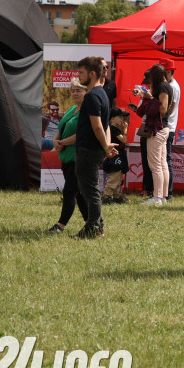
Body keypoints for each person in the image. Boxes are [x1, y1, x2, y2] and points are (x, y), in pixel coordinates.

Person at [73, 56, 117, 239]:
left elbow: (98, 126)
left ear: (92, 74)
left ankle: (92, 227)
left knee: (89, 190)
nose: (78, 75)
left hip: (88, 150)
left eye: (81, 73)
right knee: (89, 189)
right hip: (94, 149)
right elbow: (104, 126)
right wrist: (105, 146)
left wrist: (106, 146)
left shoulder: (92, 96)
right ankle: (98, 227)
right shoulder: (102, 94)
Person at [46, 80, 88, 234]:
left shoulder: (88, 112)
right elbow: (61, 126)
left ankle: (60, 225)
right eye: (73, 90)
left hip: (79, 157)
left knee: (70, 191)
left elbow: (82, 134)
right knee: (80, 194)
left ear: (86, 92)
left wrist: (62, 142)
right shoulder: (71, 109)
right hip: (66, 156)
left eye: (79, 90)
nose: (75, 93)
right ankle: (91, 223)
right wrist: (55, 140)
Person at [132, 64, 172, 206]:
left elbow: (162, 109)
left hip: (158, 129)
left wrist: (150, 98)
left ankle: (157, 197)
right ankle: (163, 196)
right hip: (163, 128)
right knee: (162, 164)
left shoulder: (162, 88)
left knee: (155, 165)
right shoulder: (167, 86)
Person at [159, 58, 181, 200]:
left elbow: (170, 107)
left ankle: (169, 192)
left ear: (168, 71)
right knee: (164, 159)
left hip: (169, 126)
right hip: (167, 126)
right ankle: (165, 192)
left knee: (166, 160)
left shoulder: (172, 87)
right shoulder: (170, 85)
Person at [102, 108, 130, 204]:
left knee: (119, 178)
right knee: (114, 176)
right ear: (112, 118)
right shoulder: (112, 128)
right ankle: (107, 196)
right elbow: (124, 140)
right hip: (115, 155)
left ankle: (116, 195)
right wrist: (125, 129)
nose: (122, 120)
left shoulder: (116, 129)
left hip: (119, 155)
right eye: (120, 117)